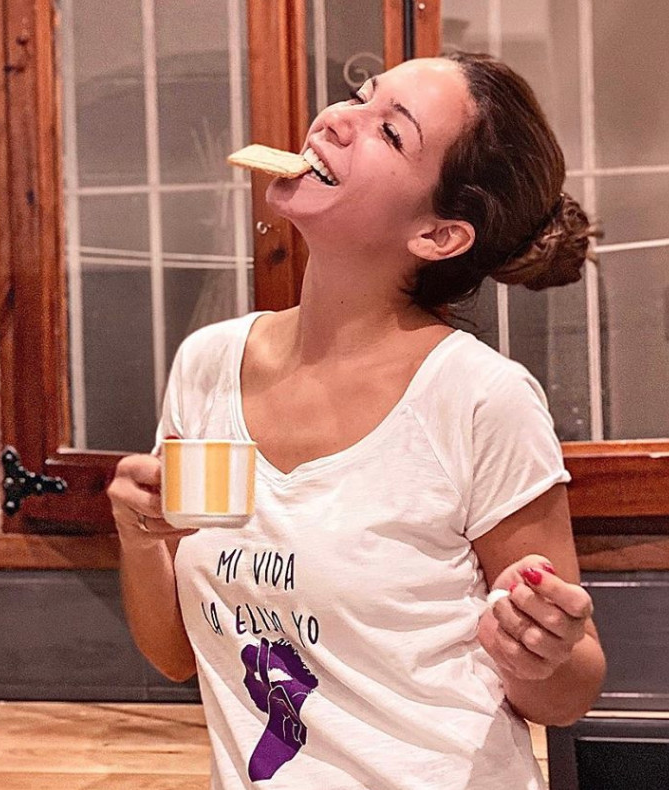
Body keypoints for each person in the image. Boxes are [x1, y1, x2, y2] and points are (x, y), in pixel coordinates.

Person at [107, 51, 606, 790]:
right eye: (357, 97)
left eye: (389, 131)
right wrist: (137, 535)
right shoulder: (208, 365)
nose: (338, 118)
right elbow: (177, 655)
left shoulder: (476, 397)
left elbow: (567, 692)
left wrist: (545, 651)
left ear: (438, 235)